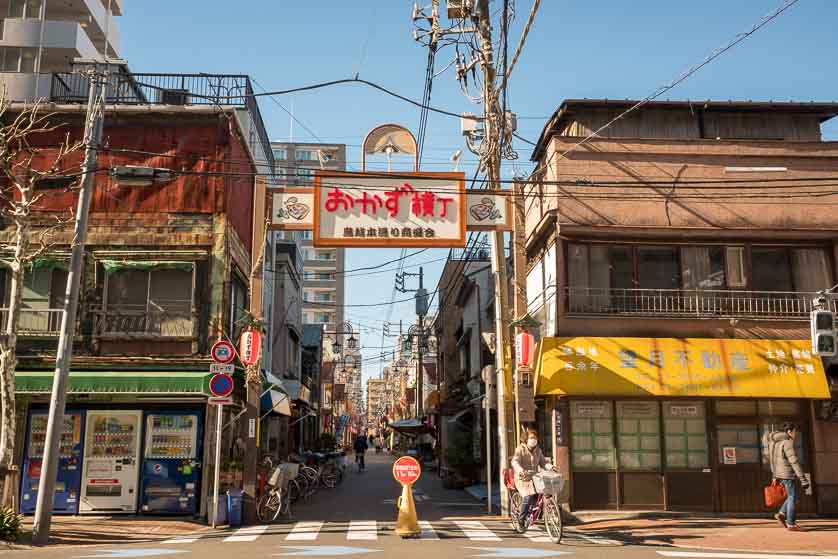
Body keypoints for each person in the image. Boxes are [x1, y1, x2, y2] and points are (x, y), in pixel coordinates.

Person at [768, 422, 810, 531]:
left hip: (780, 474)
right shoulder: (787, 442)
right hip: (787, 474)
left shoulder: (776, 443)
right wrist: (803, 479)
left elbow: (772, 461)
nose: (795, 434)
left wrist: (774, 475)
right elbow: (794, 461)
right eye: (795, 431)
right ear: (789, 432)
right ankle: (791, 523)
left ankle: (781, 514)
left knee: (792, 496)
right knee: (792, 497)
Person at [511, 428, 553, 531]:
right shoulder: (520, 449)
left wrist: (551, 467)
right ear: (526, 439)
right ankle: (521, 520)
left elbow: (543, 462)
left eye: (535, 437)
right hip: (522, 478)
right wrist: (521, 470)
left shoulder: (538, 450)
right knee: (528, 496)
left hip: (535, 478)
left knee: (546, 492)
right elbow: (515, 462)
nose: (533, 440)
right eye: (531, 438)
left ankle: (546, 514)